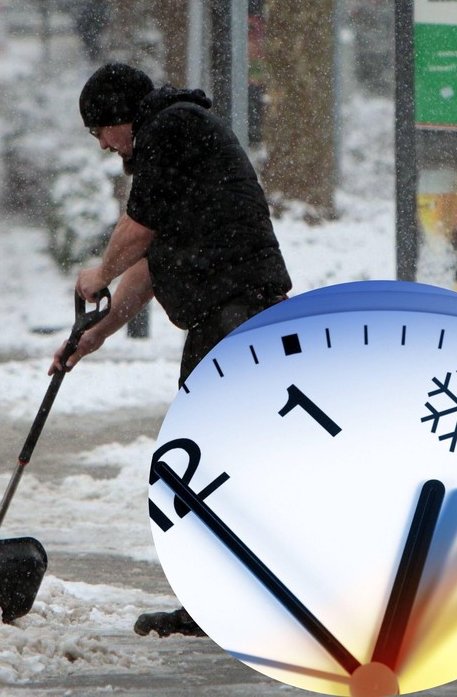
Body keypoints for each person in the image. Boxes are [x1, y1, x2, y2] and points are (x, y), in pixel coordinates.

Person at [49, 62, 291, 637]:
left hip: (237, 317)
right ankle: (232, 597)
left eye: (99, 131)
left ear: (120, 118)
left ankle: (232, 600)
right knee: (220, 460)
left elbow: (134, 235)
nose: (104, 146)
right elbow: (152, 260)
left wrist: (98, 272)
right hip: (230, 318)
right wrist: (97, 333)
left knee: (212, 461)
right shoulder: (177, 140)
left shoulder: (173, 128)